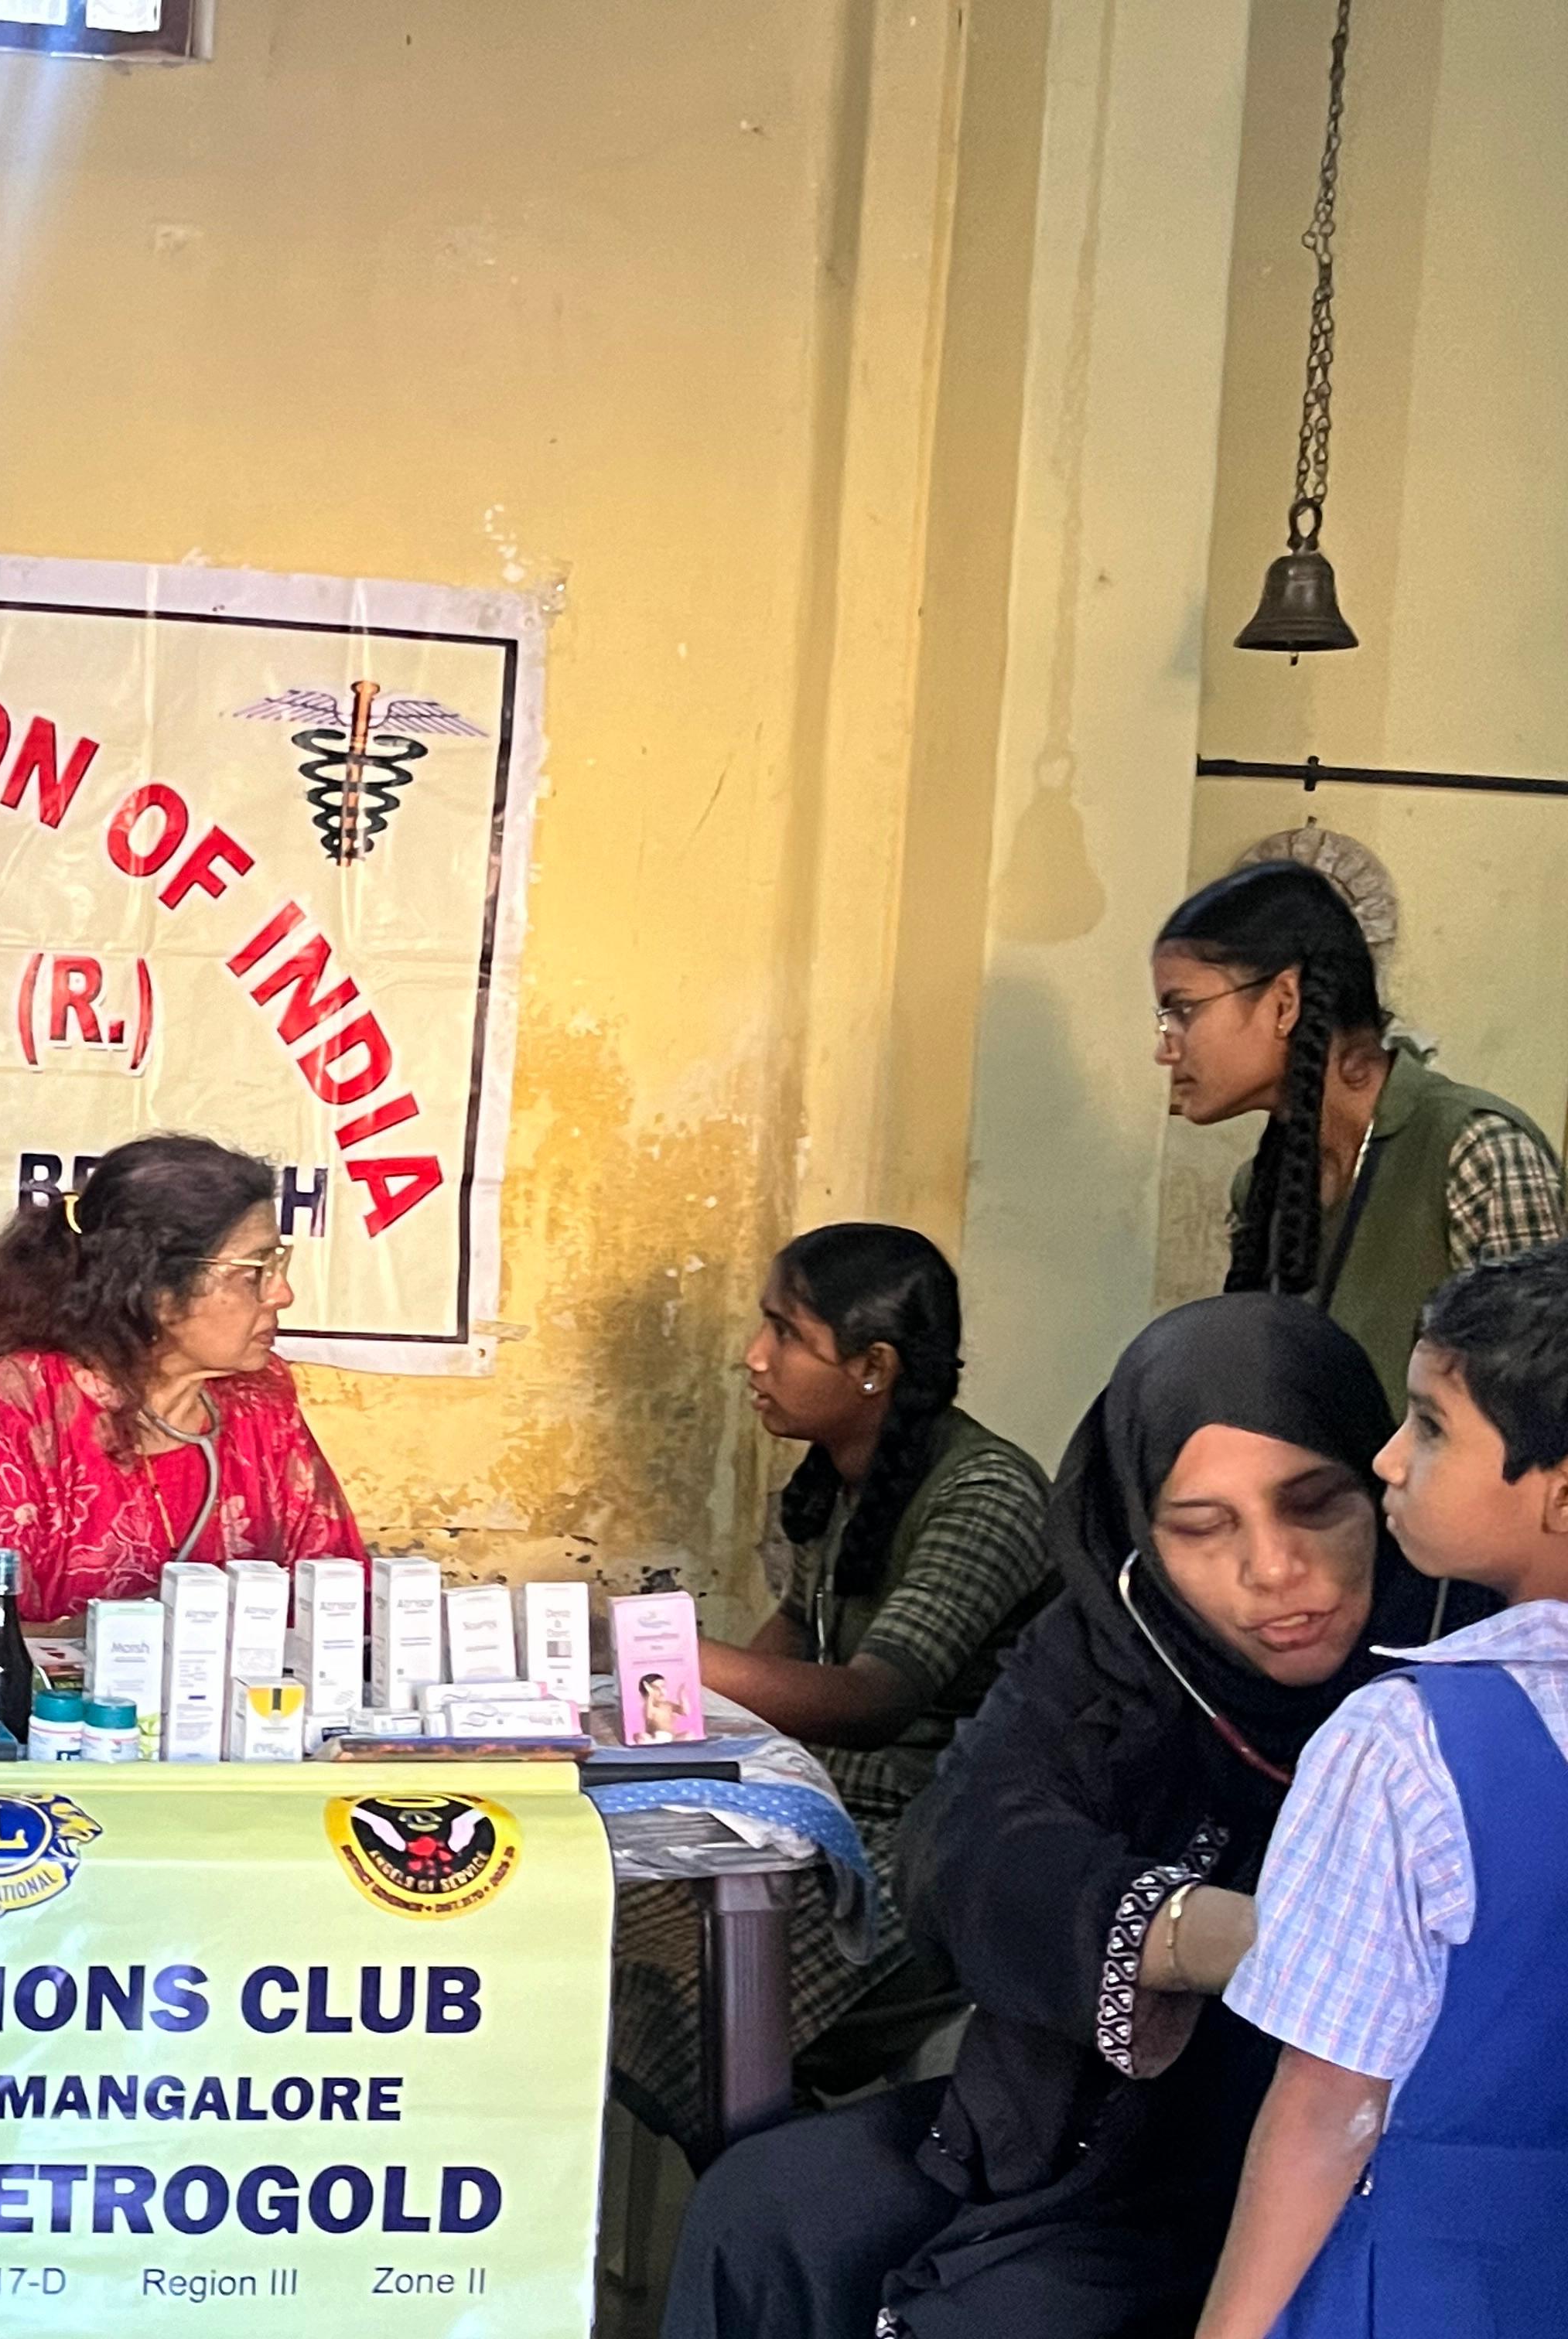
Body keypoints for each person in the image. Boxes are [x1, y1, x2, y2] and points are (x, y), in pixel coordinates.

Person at [663, 1294, 1483, 2339]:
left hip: (1337, 2166)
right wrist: (1200, 1933)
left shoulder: (1467, 1656)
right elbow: (961, 1846)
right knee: (765, 2210)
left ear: (1384, 1483)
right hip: (1083, 2126)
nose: (1275, 1569)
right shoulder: (1113, 1646)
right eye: (1203, 1528)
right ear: (1141, 1530)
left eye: (1318, 1505)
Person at [612, 1224, 1051, 2151]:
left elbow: (873, 1699)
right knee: (617, 1930)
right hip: (836, 1814)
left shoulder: (988, 1492)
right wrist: (643, 1714)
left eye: (786, 1333)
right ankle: (753, 2191)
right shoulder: (838, 1484)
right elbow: (780, 1662)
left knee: (711, 1987)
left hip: (945, 1839)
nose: (753, 1356)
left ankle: (780, 2201)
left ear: (873, 1367)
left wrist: (660, 1652)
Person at [1201, 1246, 1568, 2337]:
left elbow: (1329, 2107)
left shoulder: (1405, 1747)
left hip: (1432, 2285)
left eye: (1435, 1427)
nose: (1389, 1458)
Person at [1154, 860, 1562, 1407]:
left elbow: (1541, 1415)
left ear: (1284, 1003)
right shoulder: (1260, 1187)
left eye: (1182, 1009)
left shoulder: (1476, 1152)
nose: (1165, 1048)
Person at [0, 1133, 366, 1628]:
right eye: (255, 1271)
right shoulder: (24, 1403)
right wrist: (130, 1635)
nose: (282, 1293)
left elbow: (340, 1589)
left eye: (278, 1264)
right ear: (154, 1288)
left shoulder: (259, 1398)